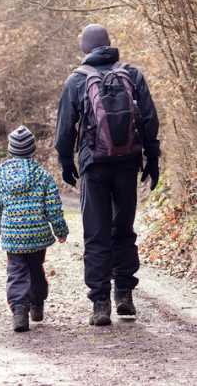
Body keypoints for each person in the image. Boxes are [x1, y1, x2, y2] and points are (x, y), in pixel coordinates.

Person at [55, 24, 160, 326]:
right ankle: (124, 294)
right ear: (109, 45)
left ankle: (100, 304)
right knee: (123, 230)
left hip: (94, 166)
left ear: (85, 49)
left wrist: (66, 162)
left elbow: (65, 128)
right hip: (128, 163)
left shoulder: (77, 80)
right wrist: (152, 159)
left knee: (96, 234)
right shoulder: (132, 74)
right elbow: (150, 120)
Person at [0, 125, 69, 332]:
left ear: (10, 150)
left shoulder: (1, 178)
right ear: (32, 150)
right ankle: (37, 304)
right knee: (35, 269)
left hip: (13, 238)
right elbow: (54, 207)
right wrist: (60, 231)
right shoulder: (43, 176)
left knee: (15, 273)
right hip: (37, 236)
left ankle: (19, 312)